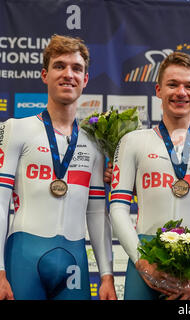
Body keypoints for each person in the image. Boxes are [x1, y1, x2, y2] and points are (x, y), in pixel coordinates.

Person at [0, 34, 116, 300]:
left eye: (77, 68)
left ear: (85, 79)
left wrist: (107, 275)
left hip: (75, 259)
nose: (68, 74)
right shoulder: (16, 129)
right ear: (44, 74)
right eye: (59, 66)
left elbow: (98, 212)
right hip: (23, 257)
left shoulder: (95, 141)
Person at [109, 51, 190, 300]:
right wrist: (141, 263)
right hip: (143, 262)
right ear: (158, 90)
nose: (181, 92)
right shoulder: (132, 142)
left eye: (189, 86)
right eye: (173, 85)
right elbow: (118, 209)